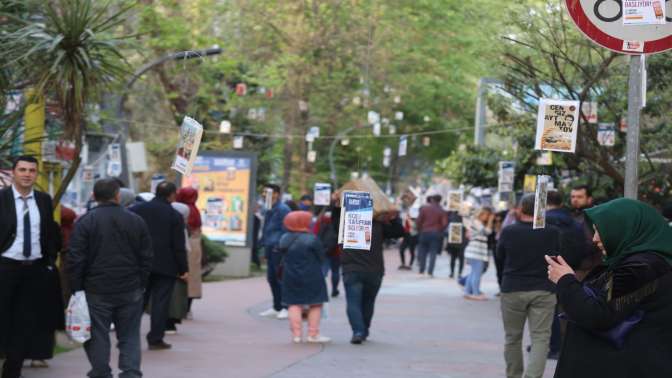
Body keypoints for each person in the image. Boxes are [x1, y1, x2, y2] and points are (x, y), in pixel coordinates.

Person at [547, 198, 672, 378]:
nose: (595, 238)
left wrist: (565, 280)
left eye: (601, 230)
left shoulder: (642, 268)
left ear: (625, 229)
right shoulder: (642, 263)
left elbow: (597, 314)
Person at [67, 178, 153, 378]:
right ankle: (131, 372)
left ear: (94, 196)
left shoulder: (85, 221)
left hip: (96, 289)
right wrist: (141, 283)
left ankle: (101, 372)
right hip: (130, 288)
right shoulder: (136, 220)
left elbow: (76, 258)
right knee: (130, 335)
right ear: (117, 196)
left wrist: (77, 288)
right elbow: (147, 256)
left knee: (97, 335)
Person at [0, 156, 64, 378]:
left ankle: (12, 372)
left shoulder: (44, 200)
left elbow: (50, 233)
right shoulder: (2, 199)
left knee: (25, 322)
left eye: (31, 171)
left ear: (36, 174)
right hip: (5, 268)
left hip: (34, 270)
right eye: (22, 170)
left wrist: (48, 261)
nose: (27, 174)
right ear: (14, 173)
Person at [496, 194, 560, 378]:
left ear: (520, 208)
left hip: (513, 288)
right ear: (541, 209)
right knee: (541, 337)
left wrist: (503, 281)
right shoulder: (552, 232)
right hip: (544, 289)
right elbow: (557, 257)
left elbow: (499, 257)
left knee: (512, 337)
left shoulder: (509, 231)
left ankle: (513, 375)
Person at [334, 203, 405, 344]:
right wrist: (394, 216)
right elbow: (399, 232)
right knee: (368, 302)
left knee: (353, 302)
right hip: (374, 270)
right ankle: (364, 330)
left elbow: (335, 217)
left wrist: (336, 206)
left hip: (352, 269)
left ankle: (358, 331)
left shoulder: (345, 224)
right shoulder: (378, 224)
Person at [130, 181, 188, 350]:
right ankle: (155, 338)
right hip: (166, 266)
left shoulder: (136, 210)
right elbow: (179, 245)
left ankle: (128, 336)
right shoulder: (174, 216)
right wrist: (183, 269)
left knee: (137, 301)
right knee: (161, 303)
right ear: (172, 195)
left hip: (140, 264)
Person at [279, 211, 331, 344]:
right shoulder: (312, 239)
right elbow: (321, 257)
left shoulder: (284, 238)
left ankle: (296, 335)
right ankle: (313, 334)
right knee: (316, 303)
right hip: (312, 275)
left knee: (293, 304)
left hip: (290, 275)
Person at [259, 184, 292, 319]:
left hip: (278, 248)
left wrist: (281, 245)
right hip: (270, 246)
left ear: (276, 194)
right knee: (271, 278)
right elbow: (267, 227)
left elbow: (286, 228)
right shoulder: (269, 208)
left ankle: (285, 307)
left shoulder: (283, 209)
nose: (263, 194)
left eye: (266, 192)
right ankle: (277, 306)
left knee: (280, 278)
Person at [176, 187, 203, 318]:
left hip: (185, 245)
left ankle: (180, 308)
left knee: (181, 275)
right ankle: (188, 309)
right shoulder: (195, 210)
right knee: (192, 278)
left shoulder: (182, 209)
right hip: (195, 246)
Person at [166, 202, 191, 334]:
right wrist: (184, 269)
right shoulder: (180, 226)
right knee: (174, 294)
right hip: (175, 266)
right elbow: (183, 248)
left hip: (163, 265)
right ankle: (170, 322)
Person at [463, 206, 494, 300]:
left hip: (474, 252)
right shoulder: (476, 222)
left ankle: (467, 292)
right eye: (487, 215)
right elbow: (487, 231)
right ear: (481, 214)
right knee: (476, 274)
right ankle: (475, 293)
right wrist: (491, 221)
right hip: (475, 252)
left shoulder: (474, 222)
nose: (488, 217)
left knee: (473, 273)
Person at [416, 195, 448, 277]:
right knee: (433, 252)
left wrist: (420, 229)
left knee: (423, 251)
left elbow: (419, 220)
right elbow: (444, 224)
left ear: (432, 200)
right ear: (440, 201)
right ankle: (430, 272)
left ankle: (421, 271)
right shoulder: (441, 211)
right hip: (436, 233)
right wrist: (440, 230)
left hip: (425, 231)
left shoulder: (424, 208)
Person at [445, 210, 466, 279]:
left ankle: (452, 273)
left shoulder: (451, 216)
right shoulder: (464, 217)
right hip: (460, 240)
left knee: (453, 258)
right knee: (460, 258)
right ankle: (459, 273)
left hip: (453, 239)